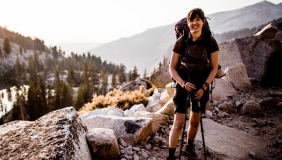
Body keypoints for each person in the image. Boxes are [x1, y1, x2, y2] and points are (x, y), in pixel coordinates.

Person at [168, 8, 219, 159]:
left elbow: (215, 67)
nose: (195, 23)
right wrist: (183, 84)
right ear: (188, 23)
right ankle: (171, 156)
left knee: (195, 122)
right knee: (178, 123)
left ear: (203, 21)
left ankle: (188, 147)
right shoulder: (181, 41)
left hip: (202, 82)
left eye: (198, 19)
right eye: (192, 20)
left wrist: (204, 86)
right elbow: (172, 67)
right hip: (183, 81)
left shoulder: (210, 41)